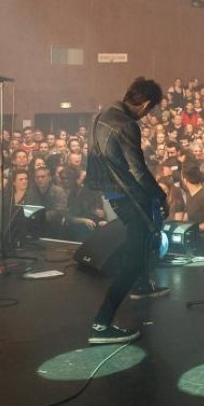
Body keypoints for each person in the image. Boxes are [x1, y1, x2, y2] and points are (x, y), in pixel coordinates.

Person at [85, 77, 169, 344]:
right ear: (144, 104)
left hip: (110, 191)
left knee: (142, 240)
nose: (148, 114)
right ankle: (102, 323)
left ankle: (142, 285)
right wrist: (161, 195)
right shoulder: (127, 125)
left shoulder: (103, 116)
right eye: (150, 108)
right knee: (134, 256)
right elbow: (138, 171)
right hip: (129, 195)